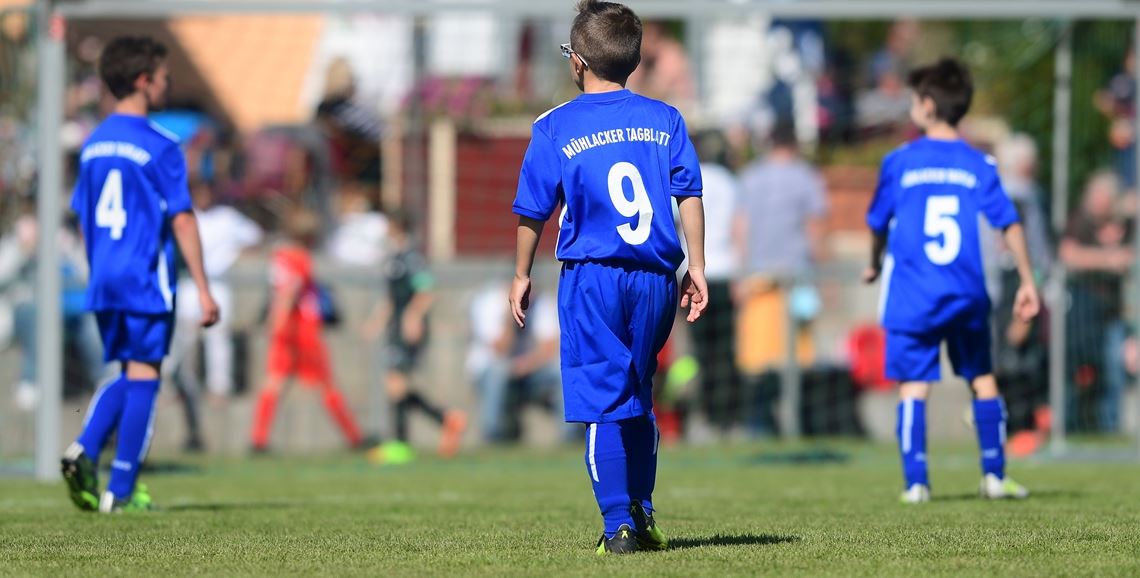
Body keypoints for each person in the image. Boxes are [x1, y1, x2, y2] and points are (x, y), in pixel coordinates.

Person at [509, 0, 707, 554]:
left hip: (594, 277)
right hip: (655, 279)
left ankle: (617, 524)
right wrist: (700, 264)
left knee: (603, 400)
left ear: (577, 62)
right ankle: (643, 514)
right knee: (638, 395)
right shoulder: (665, 120)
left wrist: (521, 274)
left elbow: (532, 209)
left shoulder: (554, 127)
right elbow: (687, 192)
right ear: (635, 59)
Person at [863, 58, 1040, 504]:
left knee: (913, 385)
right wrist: (1027, 280)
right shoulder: (978, 163)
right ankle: (995, 477)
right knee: (982, 378)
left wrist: (873, 261)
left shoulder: (899, 162)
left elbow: (878, 222)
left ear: (925, 105)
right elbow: (1009, 223)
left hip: (913, 294)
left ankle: (916, 483)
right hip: (965, 292)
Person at [61, 36, 221, 513]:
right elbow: (183, 218)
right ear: (143, 81)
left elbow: (84, 216)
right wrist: (205, 289)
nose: (169, 84)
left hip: (104, 277)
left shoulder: (92, 145)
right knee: (147, 373)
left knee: (129, 371)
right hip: (146, 277)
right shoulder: (160, 145)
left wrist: (100, 267)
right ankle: (118, 487)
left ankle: (85, 452)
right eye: (164, 76)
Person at [733, 121, 826, 435]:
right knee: (798, 360)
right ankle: (800, 425)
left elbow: (741, 228)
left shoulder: (750, 177)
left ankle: (760, 424)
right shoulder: (806, 177)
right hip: (797, 276)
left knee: (757, 361)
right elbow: (814, 228)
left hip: (757, 277)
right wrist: (822, 274)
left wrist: (741, 273)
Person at [250, 208, 365, 452]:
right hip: (302, 327)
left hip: (286, 325)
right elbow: (290, 290)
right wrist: (281, 318)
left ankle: (259, 439)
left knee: (275, 381)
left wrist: (274, 320)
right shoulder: (299, 258)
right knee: (325, 383)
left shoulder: (278, 256)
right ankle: (354, 437)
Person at [362, 209, 466, 463]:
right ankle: (446, 419)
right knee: (397, 386)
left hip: (407, 328)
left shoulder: (411, 258)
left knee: (395, 384)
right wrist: (377, 321)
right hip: (395, 327)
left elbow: (427, 289)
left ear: (397, 226)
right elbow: (392, 296)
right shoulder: (393, 258)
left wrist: (413, 316)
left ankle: (400, 444)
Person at [167, 179, 262, 452]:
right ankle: (174, 387)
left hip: (217, 283)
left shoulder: (227, 218)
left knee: (217, 338)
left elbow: (254, 235)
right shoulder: (184, 215)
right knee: (181, 339)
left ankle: (218, 387)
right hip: (188, 284)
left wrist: (235, 254)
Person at [468, 281, 565, 444]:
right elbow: (500, 349)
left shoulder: (541, 303)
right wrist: (510, 315)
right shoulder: (488, 303)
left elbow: (550, 348)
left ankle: (571, 434)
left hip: (530, 370)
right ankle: (493, 433)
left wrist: (526, 364)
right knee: (498, 372)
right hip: (491, 370)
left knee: (560, 371)